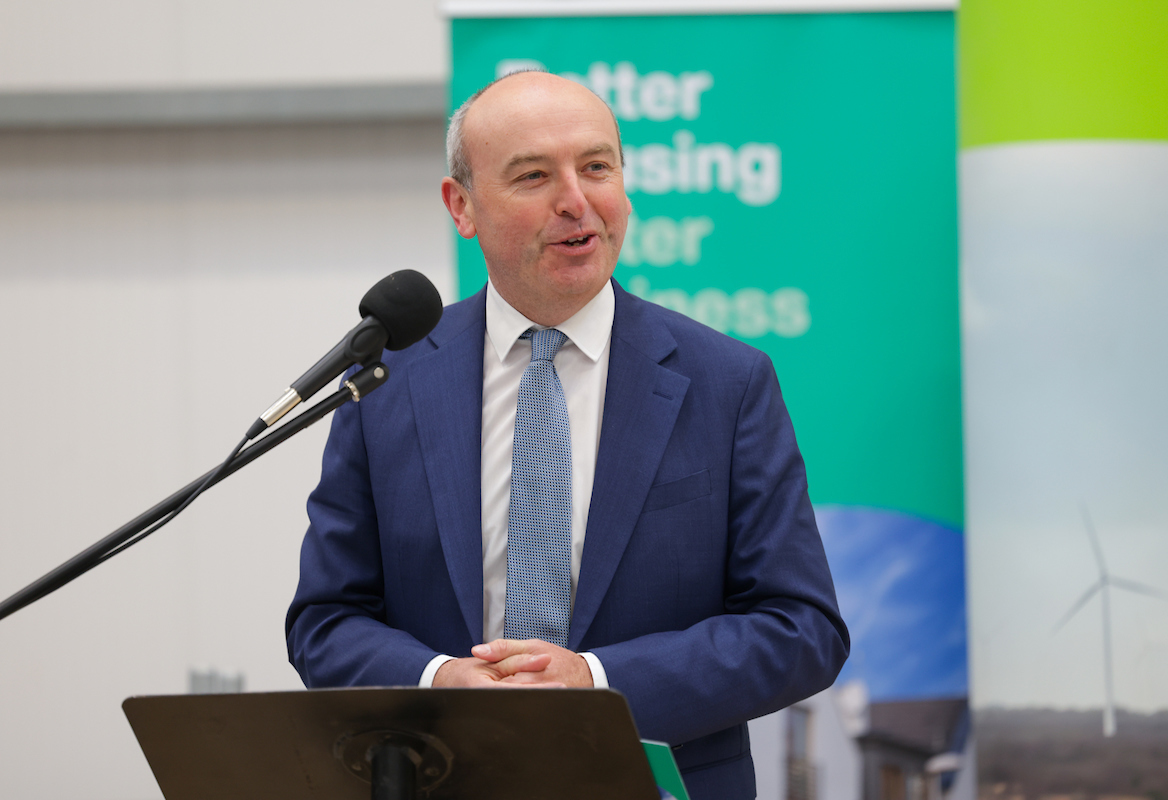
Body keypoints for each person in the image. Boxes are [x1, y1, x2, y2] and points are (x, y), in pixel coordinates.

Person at [286, 70, 849, 800]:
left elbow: (801, 629)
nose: (576, 202)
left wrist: (595, 683)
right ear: (463, 206)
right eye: (533, 176)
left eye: (597, 167)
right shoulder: (387, 381)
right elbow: (327, 621)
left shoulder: (727, 382)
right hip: (445, 780)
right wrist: (439, 683)